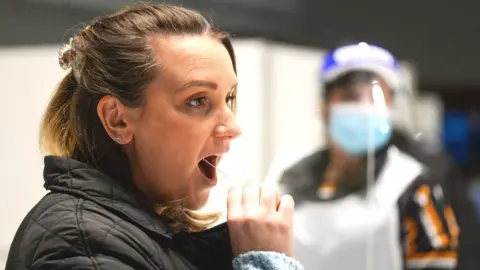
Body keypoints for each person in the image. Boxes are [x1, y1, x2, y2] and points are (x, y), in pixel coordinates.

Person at [5, 3, 302, 270]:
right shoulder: (83, 244)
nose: (233, 127)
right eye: (197, 100)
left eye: (229, 98)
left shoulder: (141, 234)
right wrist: (265, 263)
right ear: (117, 119)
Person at [273, 43, 460, 270]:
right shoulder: (288, 177)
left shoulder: (412, 186)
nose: (363, 107)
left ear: (390, 106)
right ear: (324, 106)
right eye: (350, 96)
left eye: (376, 97)